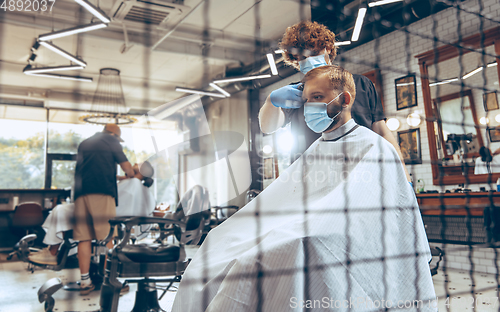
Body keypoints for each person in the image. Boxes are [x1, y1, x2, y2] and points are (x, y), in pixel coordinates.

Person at [171, 65, 435, 312]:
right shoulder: (316, 150)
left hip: (328, 236)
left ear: (344, 100)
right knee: (218, 243)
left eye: (317, 97)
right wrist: (270, 101)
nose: (309, 106)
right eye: (307, 99)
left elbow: (369, 219)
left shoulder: (374, 147)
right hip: (300, 225)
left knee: (265, 256)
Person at [258, 20, 411, 182]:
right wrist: (271, 101)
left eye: (312, 52)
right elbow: (267, 127)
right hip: (312, 178)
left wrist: (404, 177)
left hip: (362, 175)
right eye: (301, 57)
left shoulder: (361, 85)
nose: (307, 59)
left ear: (328, 48)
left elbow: (382, 132)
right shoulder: (295, 94)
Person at [28, 161, 156, 265]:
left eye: (138, 163)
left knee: (61, 210)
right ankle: (51, 251)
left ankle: (52, 252)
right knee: (62, 210)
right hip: (101, 210)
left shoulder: (133, 183)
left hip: (102, 213)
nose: (133, 162)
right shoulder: (132, 183)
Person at [73, 123, 135, 295]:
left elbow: (92, 170)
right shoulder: (111, 141)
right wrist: (131, 174)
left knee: (83, 238)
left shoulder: (85, 143)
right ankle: (111, 280)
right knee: (108, 237)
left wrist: (117, 177)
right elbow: (127, 168)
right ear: (114, 135)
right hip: (101, 193)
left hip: (80, 194)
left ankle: (85, 281)